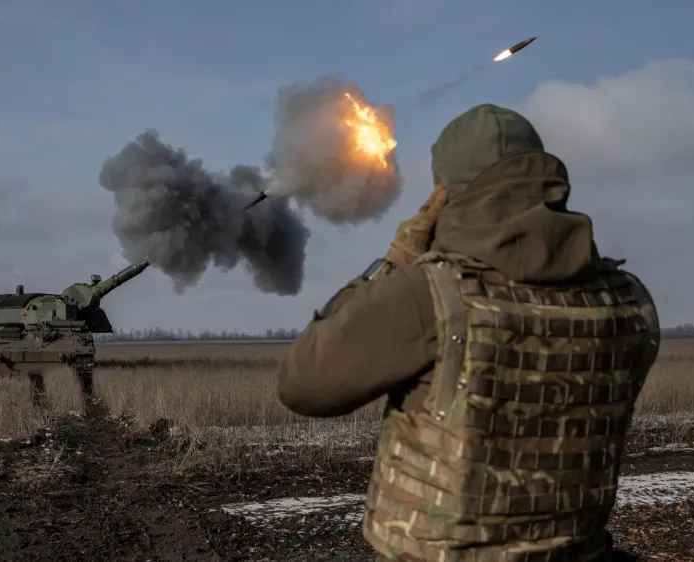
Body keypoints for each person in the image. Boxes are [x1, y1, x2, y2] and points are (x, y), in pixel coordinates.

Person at [275, 104, 660, 562]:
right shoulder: (628, 298)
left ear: (447, 193)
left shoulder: (430, 292)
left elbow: (303, 383)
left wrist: (394, 262)